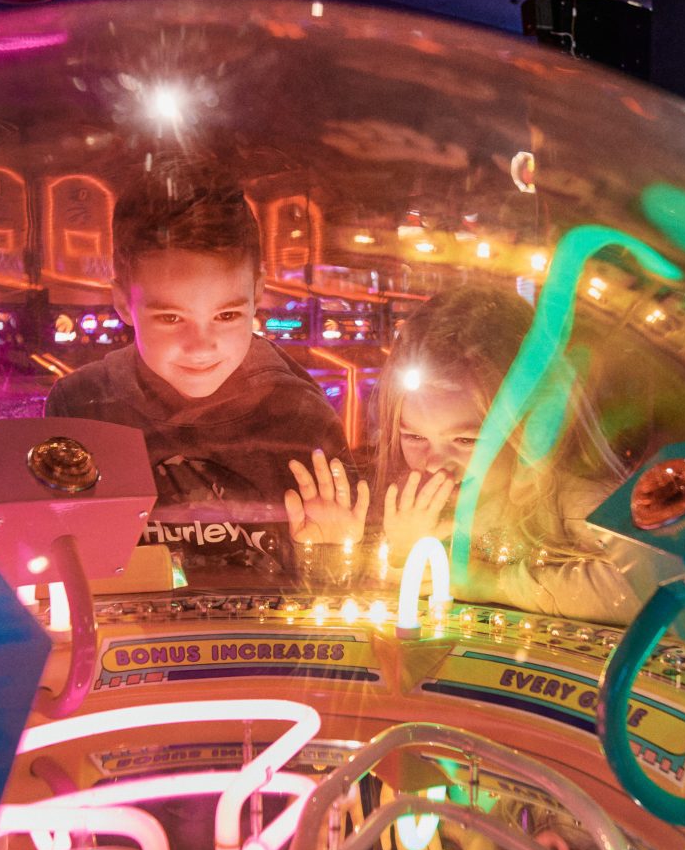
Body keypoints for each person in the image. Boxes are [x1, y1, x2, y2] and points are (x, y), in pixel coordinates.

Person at [46, 173, 347, 586]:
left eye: (226, 316)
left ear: (258, 292)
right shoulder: (81, 405)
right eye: (171, 318)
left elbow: (337, 586)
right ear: (121, 301)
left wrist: (332, 559)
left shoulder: (300, 416)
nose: (201, 347)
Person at [350, 285, 651, 623]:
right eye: (415, 436)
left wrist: (491, 584)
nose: (433, 463)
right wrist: (405, 551)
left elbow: (649, 587)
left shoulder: (569, 496)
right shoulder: (411, 501)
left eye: (465, 440)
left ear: (528, 430)